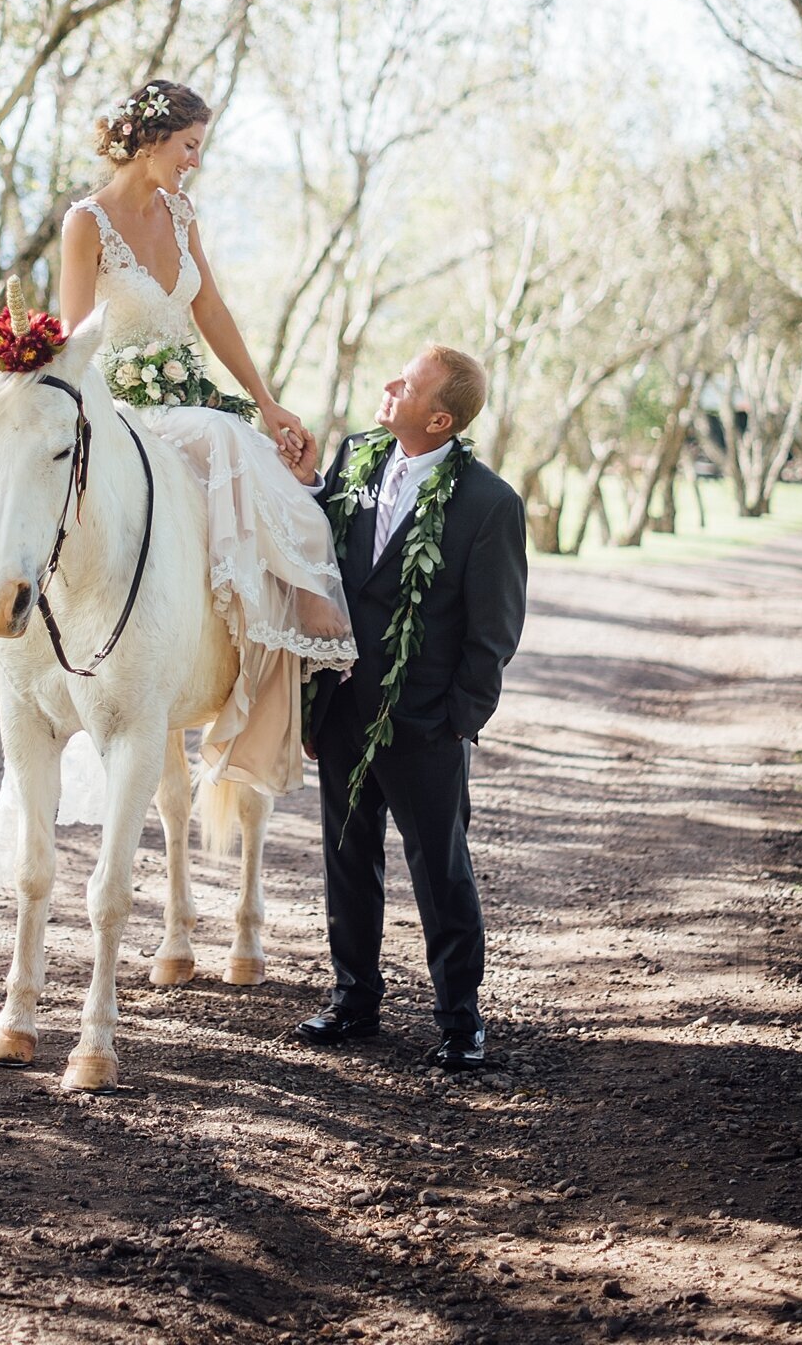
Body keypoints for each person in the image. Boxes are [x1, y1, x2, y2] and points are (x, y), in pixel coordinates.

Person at [58, 78, 355, 796]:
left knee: (273, 480)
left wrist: (266, 401)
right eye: (189, 145)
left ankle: (263, 648)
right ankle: (262, 611)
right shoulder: (85, 222)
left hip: (190, 400)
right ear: (151, 140)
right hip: (124, 411)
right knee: (221, 440)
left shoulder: (181, 211)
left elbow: (211, 310)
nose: (195, 160)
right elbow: (74, 339)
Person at [290, 345, 526, 1068]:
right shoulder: (356, 455)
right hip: (339, 705)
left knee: (440, 868)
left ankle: (459, 1018)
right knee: (346, 858)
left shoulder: (489, 503)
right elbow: (322, 549)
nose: (390, 386)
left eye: (408, 384)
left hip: (422, 722)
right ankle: (353, 1001)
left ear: (440, 416)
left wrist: (454, 720)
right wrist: (303, 483)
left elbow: (494, 631)